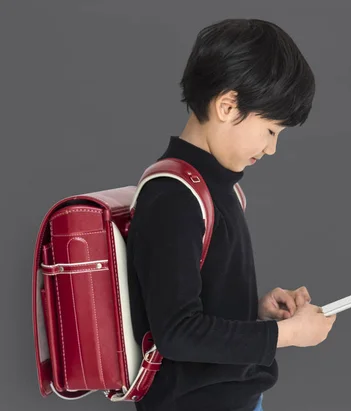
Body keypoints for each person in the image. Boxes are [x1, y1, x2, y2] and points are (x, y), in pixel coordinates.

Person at [126, 18, 337, 411]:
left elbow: (193, 302)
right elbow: (177, 332)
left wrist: (256, 312)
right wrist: (284, 335)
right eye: (271, 131)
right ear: (227, 106)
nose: (271, 149)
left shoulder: (217, 187)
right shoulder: (174, 196)